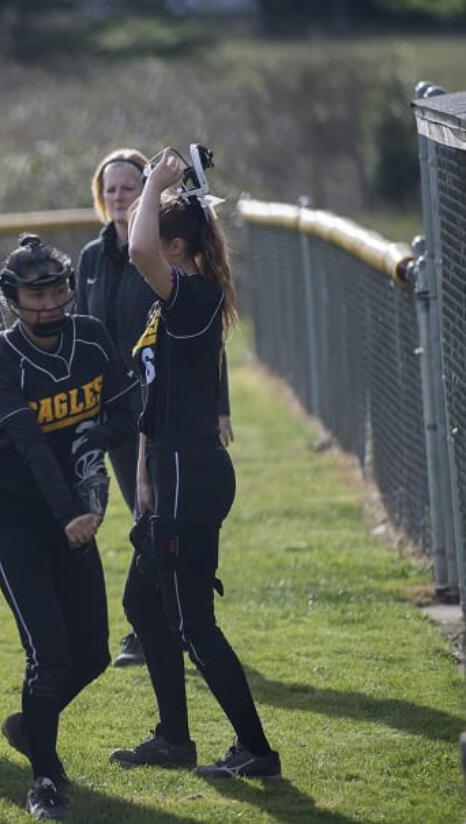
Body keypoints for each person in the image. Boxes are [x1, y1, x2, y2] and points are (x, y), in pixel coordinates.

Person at [109, 148, 279, 779]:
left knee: (192, 624)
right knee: (144, 605)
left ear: (176, 247)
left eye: (148, 215)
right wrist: (146, 474)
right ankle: (174, 739)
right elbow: (159, 401)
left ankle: (257, 751)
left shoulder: (194, 297)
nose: (132, 218)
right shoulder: (170, 305)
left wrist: (154, 181)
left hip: (195, 475)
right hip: (172, 472)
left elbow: (137, 250)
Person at [0, 235, 138, 819]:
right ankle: (44, 779)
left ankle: (30, 724)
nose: (48, 304)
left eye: (56, 290)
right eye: (34, 294)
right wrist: (69, 511)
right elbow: (27, 447)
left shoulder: (91, 337)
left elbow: (128, 408)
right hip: (15, 509)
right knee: (47, 655)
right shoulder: (0, 357)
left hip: (72, 512)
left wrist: (103, 436)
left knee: (91, 654)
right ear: (11, 299)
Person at [76, 148, 235, 668]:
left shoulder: (181, 286)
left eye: (132, 187)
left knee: (159, 538)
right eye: (112, 189)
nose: (121, 197)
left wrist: (220, 406)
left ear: (176, 245)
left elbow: (203, 350)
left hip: (173, 434)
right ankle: (166, 632)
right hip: (136, 422)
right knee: (148, 527)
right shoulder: (95, 258)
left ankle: (172, 626)